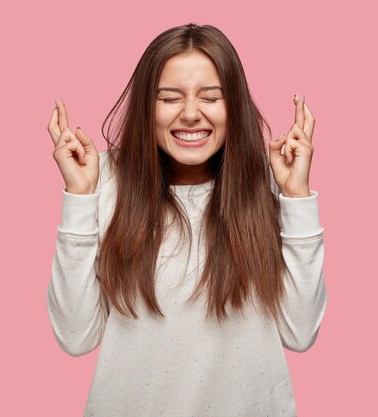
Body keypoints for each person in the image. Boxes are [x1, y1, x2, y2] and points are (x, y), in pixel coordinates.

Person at [45, 23, 327, 417]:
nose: (191, 114)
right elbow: (75, 337)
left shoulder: (270, 181)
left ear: (235, 106)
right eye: (169, 98)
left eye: (211, 97)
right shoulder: (103, 180)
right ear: (147, 105)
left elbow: (299, 332)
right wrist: (79, 198)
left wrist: (296, 198)